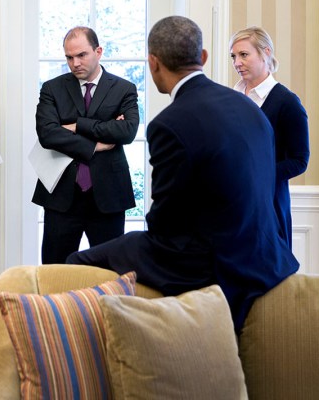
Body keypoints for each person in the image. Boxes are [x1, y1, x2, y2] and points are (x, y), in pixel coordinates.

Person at [68, 16, 299, 331]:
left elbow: (165, 224)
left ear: (153, 63)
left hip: (212, 261)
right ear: (203, 57)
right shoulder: (248, 107)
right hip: (267, 252)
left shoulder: (169, 124)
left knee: (77, 261)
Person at [32, 26, 139, 264]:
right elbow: (47, 134)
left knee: (109, 272)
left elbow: (127, 131)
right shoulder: (52, 88)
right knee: (54, 272)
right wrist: (95, 145)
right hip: (61, 196)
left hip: (108, 196)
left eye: (81, 55)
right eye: (69, 57)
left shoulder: (123, 89)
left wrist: (77, 125)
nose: (75, 63)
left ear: (98, 51)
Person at [230, 26, 310, 248]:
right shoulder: (230, 99)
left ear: (266, 53)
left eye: (243, 55)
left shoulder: (287, 102)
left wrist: (257, 174)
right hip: (233, 204)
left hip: (269, 206)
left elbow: (299, 161)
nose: (237, 63)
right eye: (233, 56)